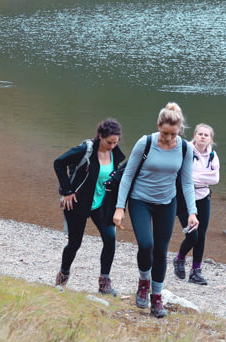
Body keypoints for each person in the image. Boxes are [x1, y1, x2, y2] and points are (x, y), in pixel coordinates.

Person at [113, 102, 198, 319]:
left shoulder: (186, 148)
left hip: (166, 203)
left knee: (161, 250)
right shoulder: (146, 142)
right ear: (158, 125)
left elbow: (187, 182)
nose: (168, 138)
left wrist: (192, 212)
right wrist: (120, 208)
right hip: (140, 200)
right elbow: (128, 175)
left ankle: (157, 297)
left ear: (179, 130)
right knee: (146, 244)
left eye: (172, 134)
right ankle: (144, 281)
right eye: (164, 133)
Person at [54, 118, 126, 296]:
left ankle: (104, 284)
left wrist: (119, 205)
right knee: (75, 243)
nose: (112, 146)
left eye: (115, 143)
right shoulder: (85, 150)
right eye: (109, 142)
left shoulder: (115, 154)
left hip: (102, 204)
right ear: (100, 136)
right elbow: (59, 163)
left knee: (110, 240)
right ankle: (62, 277)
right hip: (78, 204)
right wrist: (67, 190)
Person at [173, 123, 220, 285]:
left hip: (203, 197)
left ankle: (196, 271)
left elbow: (215, 179)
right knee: (193, 235)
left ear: (210, 139)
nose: (202, 137)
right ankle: (179, 259)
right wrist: (197, 177)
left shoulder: (213, 155)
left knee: (202, 236)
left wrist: (194, 177)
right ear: (194, 136)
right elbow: (183, 176)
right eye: (200, 134)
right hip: (184, 197)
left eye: (206, 135)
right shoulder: (185, 150)